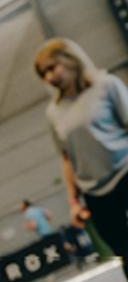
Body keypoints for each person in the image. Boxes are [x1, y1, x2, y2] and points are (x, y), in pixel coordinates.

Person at [35, 38, 128, 259]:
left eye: (52, 68)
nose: (49, 77)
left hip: (125, 171)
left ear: (71, 60)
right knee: (123, 252)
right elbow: (67, 158)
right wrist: (74, 202)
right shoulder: (53, 112)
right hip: (96, 192)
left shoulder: (107, 85)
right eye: (43, 74)